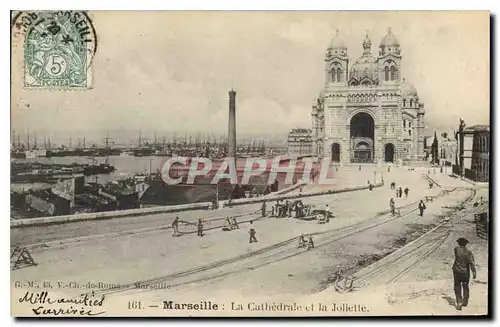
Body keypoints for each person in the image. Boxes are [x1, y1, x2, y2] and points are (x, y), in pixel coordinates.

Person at [453, 237, 476, 310]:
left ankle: (459, 301)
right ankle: (465, 301)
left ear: (458, 243)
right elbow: (472, 263)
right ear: (466, 244)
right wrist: (474, 272)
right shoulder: (469, 253)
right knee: (465, 286)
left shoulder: (456, 249)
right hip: (465, 272)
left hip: (457, 271)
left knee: (457, 286)